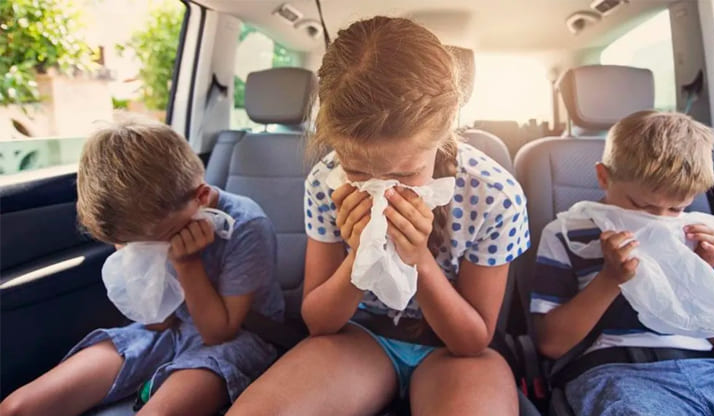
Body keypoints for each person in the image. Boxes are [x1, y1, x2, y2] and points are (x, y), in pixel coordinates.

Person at [228, 16, 529, 416]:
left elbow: (472, 341)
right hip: (359, 336)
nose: (381, 189)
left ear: (446, 125)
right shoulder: (325, 182)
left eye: (405, 174)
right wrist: (358, 256)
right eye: (358, 171)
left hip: (453, 353)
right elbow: (319, 322)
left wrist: (417, 258)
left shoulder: (495, 195)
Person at [0, 119, 284, 416]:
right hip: (169, 330)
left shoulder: (247, 225)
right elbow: (156, 322)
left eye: (155, 241)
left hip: (239, 339)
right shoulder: (136, 226)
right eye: (133, 245)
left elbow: (218, 334)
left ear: (200, 198)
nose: (146, 250)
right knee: (16, 408)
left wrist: (187, 264)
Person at [530, 110, 714, 415]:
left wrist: (700, 275)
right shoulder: (568, 235)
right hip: (619, 371)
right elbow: (551, 344)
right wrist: (610, 278)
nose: (658, 219)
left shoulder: (694, 236)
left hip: (711, 369)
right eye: (642, 206)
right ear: (603, 177)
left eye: (677, 208)